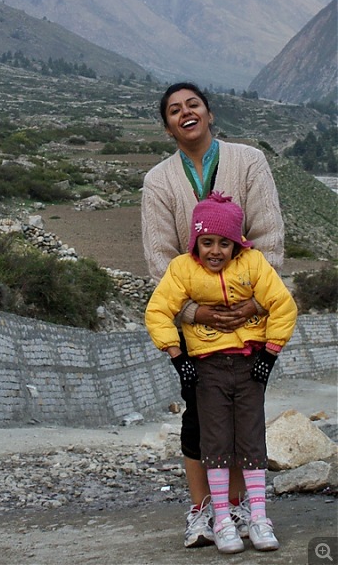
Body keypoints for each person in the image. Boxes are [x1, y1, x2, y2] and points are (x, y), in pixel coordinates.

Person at [141, 82, 284, 548]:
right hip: (192, 322)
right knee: (200, 418)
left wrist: (254, 300)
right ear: (167, 127)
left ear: (209, 112)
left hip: (250, 314)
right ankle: (204, 509)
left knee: (244, 413)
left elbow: (268, 233)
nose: (186, 113)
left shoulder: (249, 162)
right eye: (175, 110)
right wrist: (193, 308)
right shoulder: (159, 181)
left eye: (193, 105)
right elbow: (160, 257)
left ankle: (240, 508)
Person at [145, 192, 297, 553]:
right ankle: (223, 518)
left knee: (251, 438)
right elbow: (158, 310)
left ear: (236, 245)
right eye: (207, 242)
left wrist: (271, 353)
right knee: (214, 441)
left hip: (249, 365)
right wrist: (178, 357)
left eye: (224, 243)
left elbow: (283, 305)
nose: (215, 251)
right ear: (195, 242)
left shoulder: (254, 265)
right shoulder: (183, 269)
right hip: (207, 367)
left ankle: (258, 516)